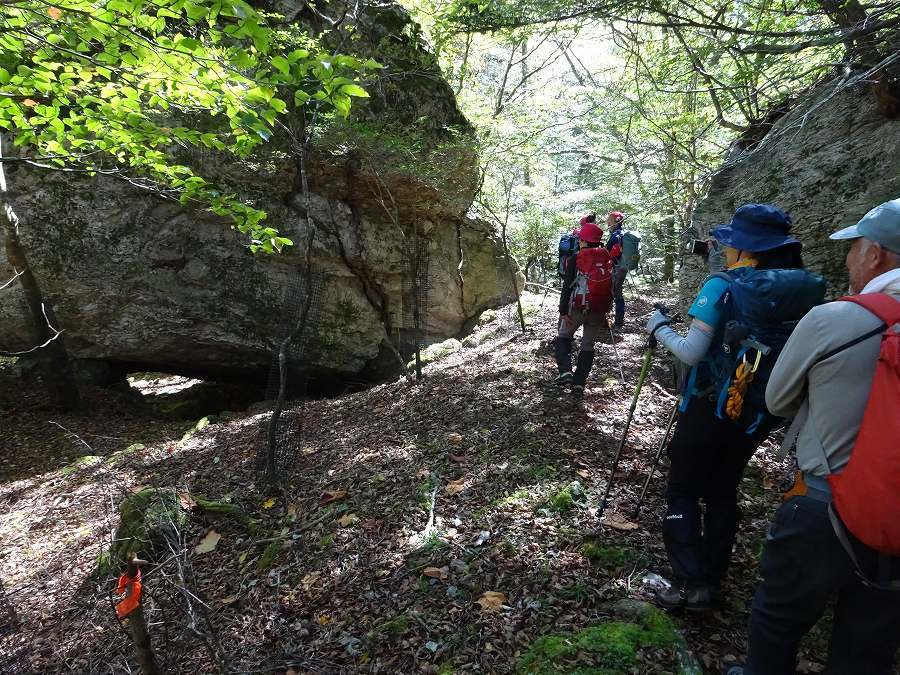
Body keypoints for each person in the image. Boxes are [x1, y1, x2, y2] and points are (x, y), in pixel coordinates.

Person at [729, 199, 900, 675]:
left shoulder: (835, 319)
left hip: (825, 501)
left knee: (778, 618)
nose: (847, 260)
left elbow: (778, 400)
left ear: (875, 255)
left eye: (853, 248)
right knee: (869, 648)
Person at [643, 204, 814, 611]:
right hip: (757, 411)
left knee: (683, 489)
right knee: (722, 490)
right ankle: (713, 576)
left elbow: (691, 351)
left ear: (744, 248)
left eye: (729, 243)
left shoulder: (723, 285)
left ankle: (690, 584)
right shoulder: (801, 287)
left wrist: (658, 327)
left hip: (709, 405)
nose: (723, 249)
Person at [555, 216, 612, 396]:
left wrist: (563, 310)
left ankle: (566, 373)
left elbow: (567, 286)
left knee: (563, 337)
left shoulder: (577, 257)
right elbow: (612, 285)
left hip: (577, 307)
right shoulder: (606, 256)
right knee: (587, 346)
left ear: (582, 240)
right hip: (598, 309)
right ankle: (579, 384)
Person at [605, 211, 627, 327]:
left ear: (616, 221)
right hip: (622, 267)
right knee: (617, 293)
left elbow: (607, 252)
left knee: (613, 293)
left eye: (610, 220)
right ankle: (618, 321)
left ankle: (616, 322)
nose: (607, 222)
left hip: (616, 269)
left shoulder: (616, 235)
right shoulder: (621, 233)